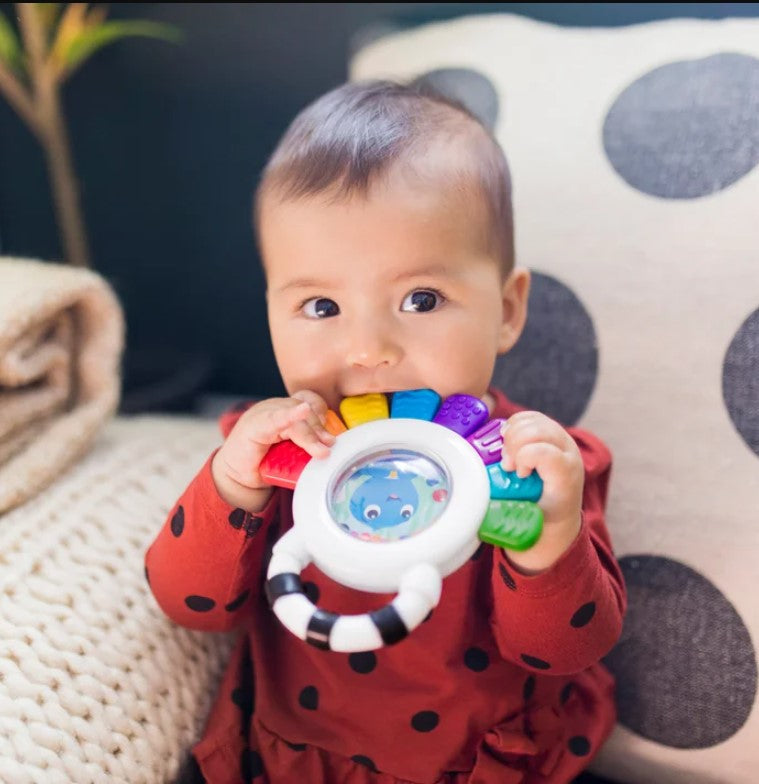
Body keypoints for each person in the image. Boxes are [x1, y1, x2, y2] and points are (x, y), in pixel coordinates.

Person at [145, 80, 626, 784]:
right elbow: (190, 607)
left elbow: (565, 651)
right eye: (321, 305)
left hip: (477, 763)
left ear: (506, 308)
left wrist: (548, 543)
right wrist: (229, 485)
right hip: (291, 760)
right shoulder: (275, 455)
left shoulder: (537, 469)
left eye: (420, 299)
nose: (368, 347)